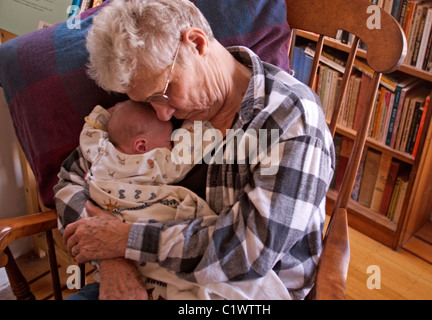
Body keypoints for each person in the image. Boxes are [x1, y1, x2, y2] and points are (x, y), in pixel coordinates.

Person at [54, 0, 335, 300]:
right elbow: (72, 180)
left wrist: (125, 240)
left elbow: (248, 252)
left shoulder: (289, 120)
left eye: (164, 92)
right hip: (143, 274)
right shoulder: (156, 110)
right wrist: (112, 259)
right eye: (149, 101)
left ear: (197, 43)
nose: (162, 115)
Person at [79, 100, 291, 299]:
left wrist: (104, 115)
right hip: (145, 232)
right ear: (142, 147)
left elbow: (89, 131)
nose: (172, 146)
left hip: (113, 220)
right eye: (169, 141)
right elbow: (186, 155)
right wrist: (203, 127)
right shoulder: (153, 163)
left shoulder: (99, 153)